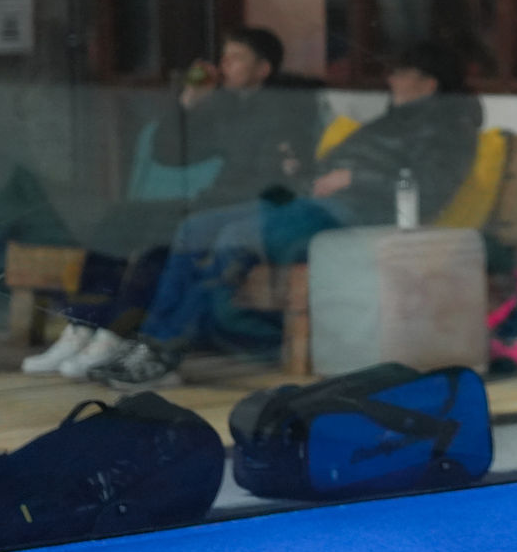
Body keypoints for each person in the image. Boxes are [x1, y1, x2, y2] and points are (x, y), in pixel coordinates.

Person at [91, 40, 483, 390]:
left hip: (359, 215)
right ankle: (153, 342)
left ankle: (167, 351)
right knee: (194, 228)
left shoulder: (449, 125)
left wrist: (355, 176)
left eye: (402, 74)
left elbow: (429, 186)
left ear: (429, 84)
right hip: (312, 201)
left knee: (234, 238)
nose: (392, 80)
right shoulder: (390, 121)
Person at [24, 26, 315, 379]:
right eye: (224, 56)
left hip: (235, 208)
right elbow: (170, 153)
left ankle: (113, 336)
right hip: (206, 203)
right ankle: (82, 326)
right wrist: (190, 102)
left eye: (236, 58)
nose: (224, 65)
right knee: (118, 220)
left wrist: (210, 203)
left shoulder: (285, 110)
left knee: (161, 247)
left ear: (263, 70)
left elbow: (275, 183)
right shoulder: (225, 106)